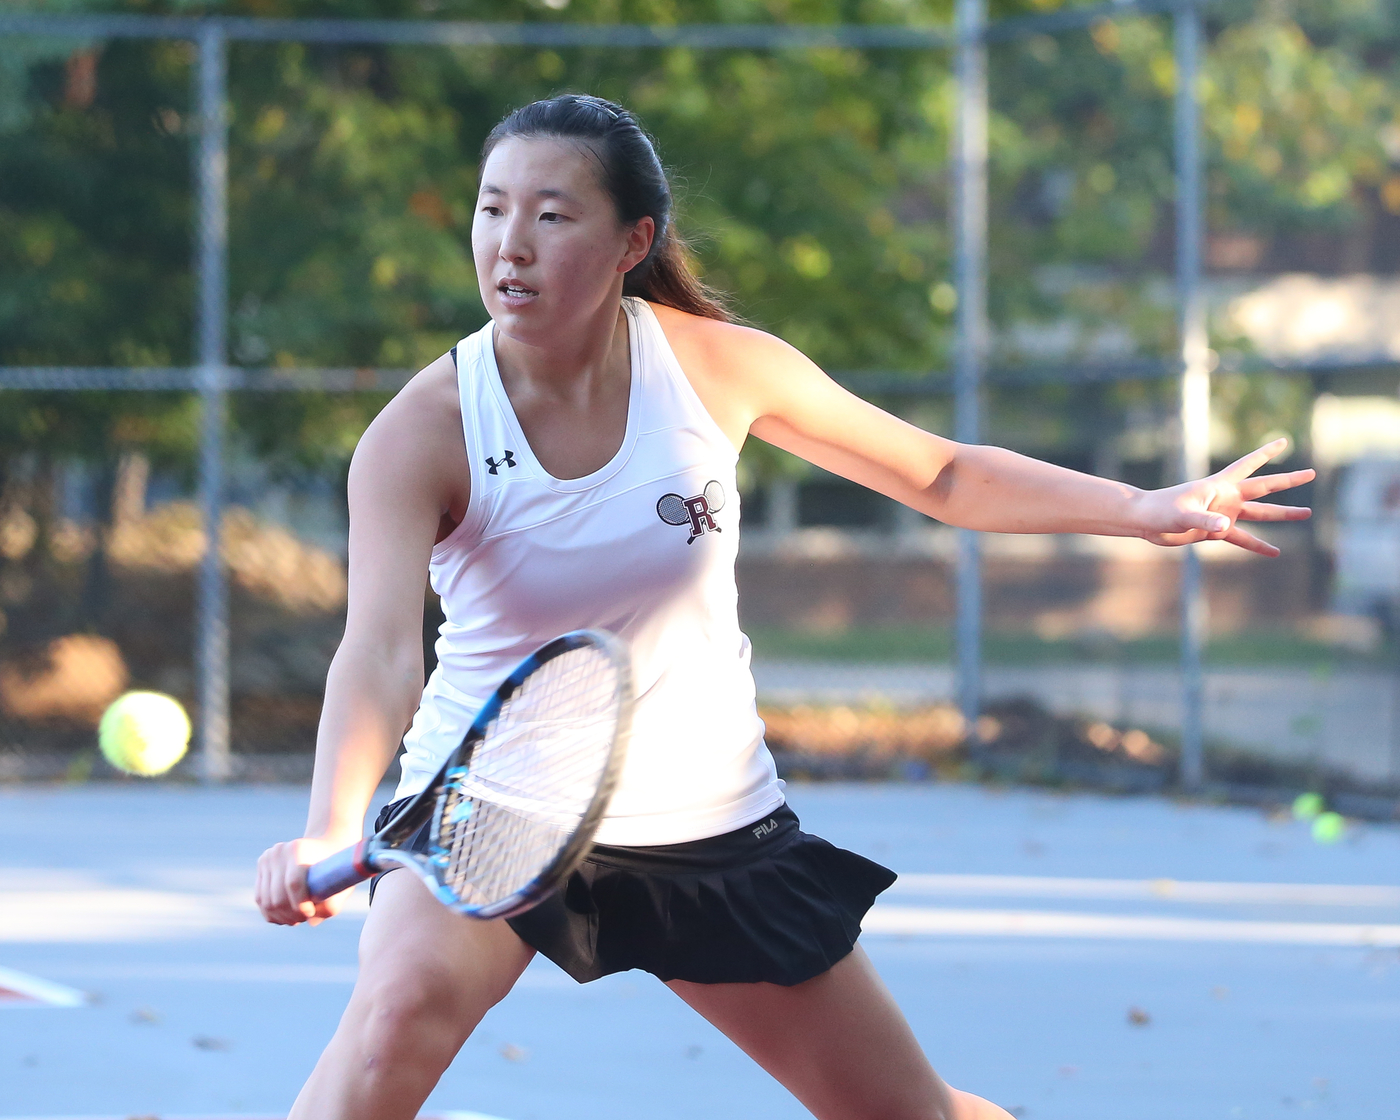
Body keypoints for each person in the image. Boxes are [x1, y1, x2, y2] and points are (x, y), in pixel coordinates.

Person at [254, 94, 1313, 1120]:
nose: (509, 244)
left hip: (704, 821)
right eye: (491, 208)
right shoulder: (423, 428)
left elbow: (937, 474)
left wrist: (1139, 506)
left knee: (906, 1115)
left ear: (632, 242)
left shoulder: (714, 368)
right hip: (488, 812)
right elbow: (381, 651)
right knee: (389, 1027)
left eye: (550, 213)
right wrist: (328, 827)